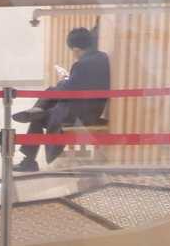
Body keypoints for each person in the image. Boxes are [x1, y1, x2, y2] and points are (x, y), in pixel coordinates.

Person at [11, 27, 110, 172]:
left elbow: (67, 91)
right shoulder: (102, 57)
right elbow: (78, 86)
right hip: (91, 107)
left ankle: (29, 159)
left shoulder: (82, 65)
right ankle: (36, 111)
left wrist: (63, 80)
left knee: (41, 111)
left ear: (76, 49)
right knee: (49, 97)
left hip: (80, 113)